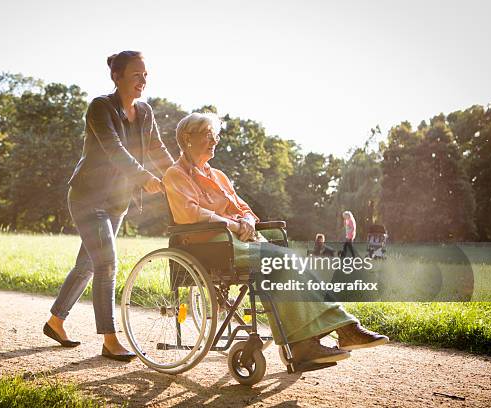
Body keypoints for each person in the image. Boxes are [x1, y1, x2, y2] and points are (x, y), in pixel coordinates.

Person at [162, 112, 388, 365]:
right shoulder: (175, 175)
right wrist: (235, 225)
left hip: (238, 241)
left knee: (287, 264)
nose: (214, 140)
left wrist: (246, 220)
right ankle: (334, 332)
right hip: (210, 245)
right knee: (283, 261)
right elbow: (191, 213)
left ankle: (316, 338)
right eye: (208, 135)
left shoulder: (219, 176)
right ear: (187, 138)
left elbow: (244, 209)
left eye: (216, 135)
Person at [44, 51, 174, 361]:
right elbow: (115, 149)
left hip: (117, 202)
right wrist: (144, 177)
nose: (143, 80)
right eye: (136, 74)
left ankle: (55, 322)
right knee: (107, 265)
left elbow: (158, 149)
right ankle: (110, 339)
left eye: (145, 74)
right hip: (88, 198)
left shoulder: (145, 112)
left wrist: (181, 176)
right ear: (117, 77)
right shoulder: (100, 107)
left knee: (88, 264)